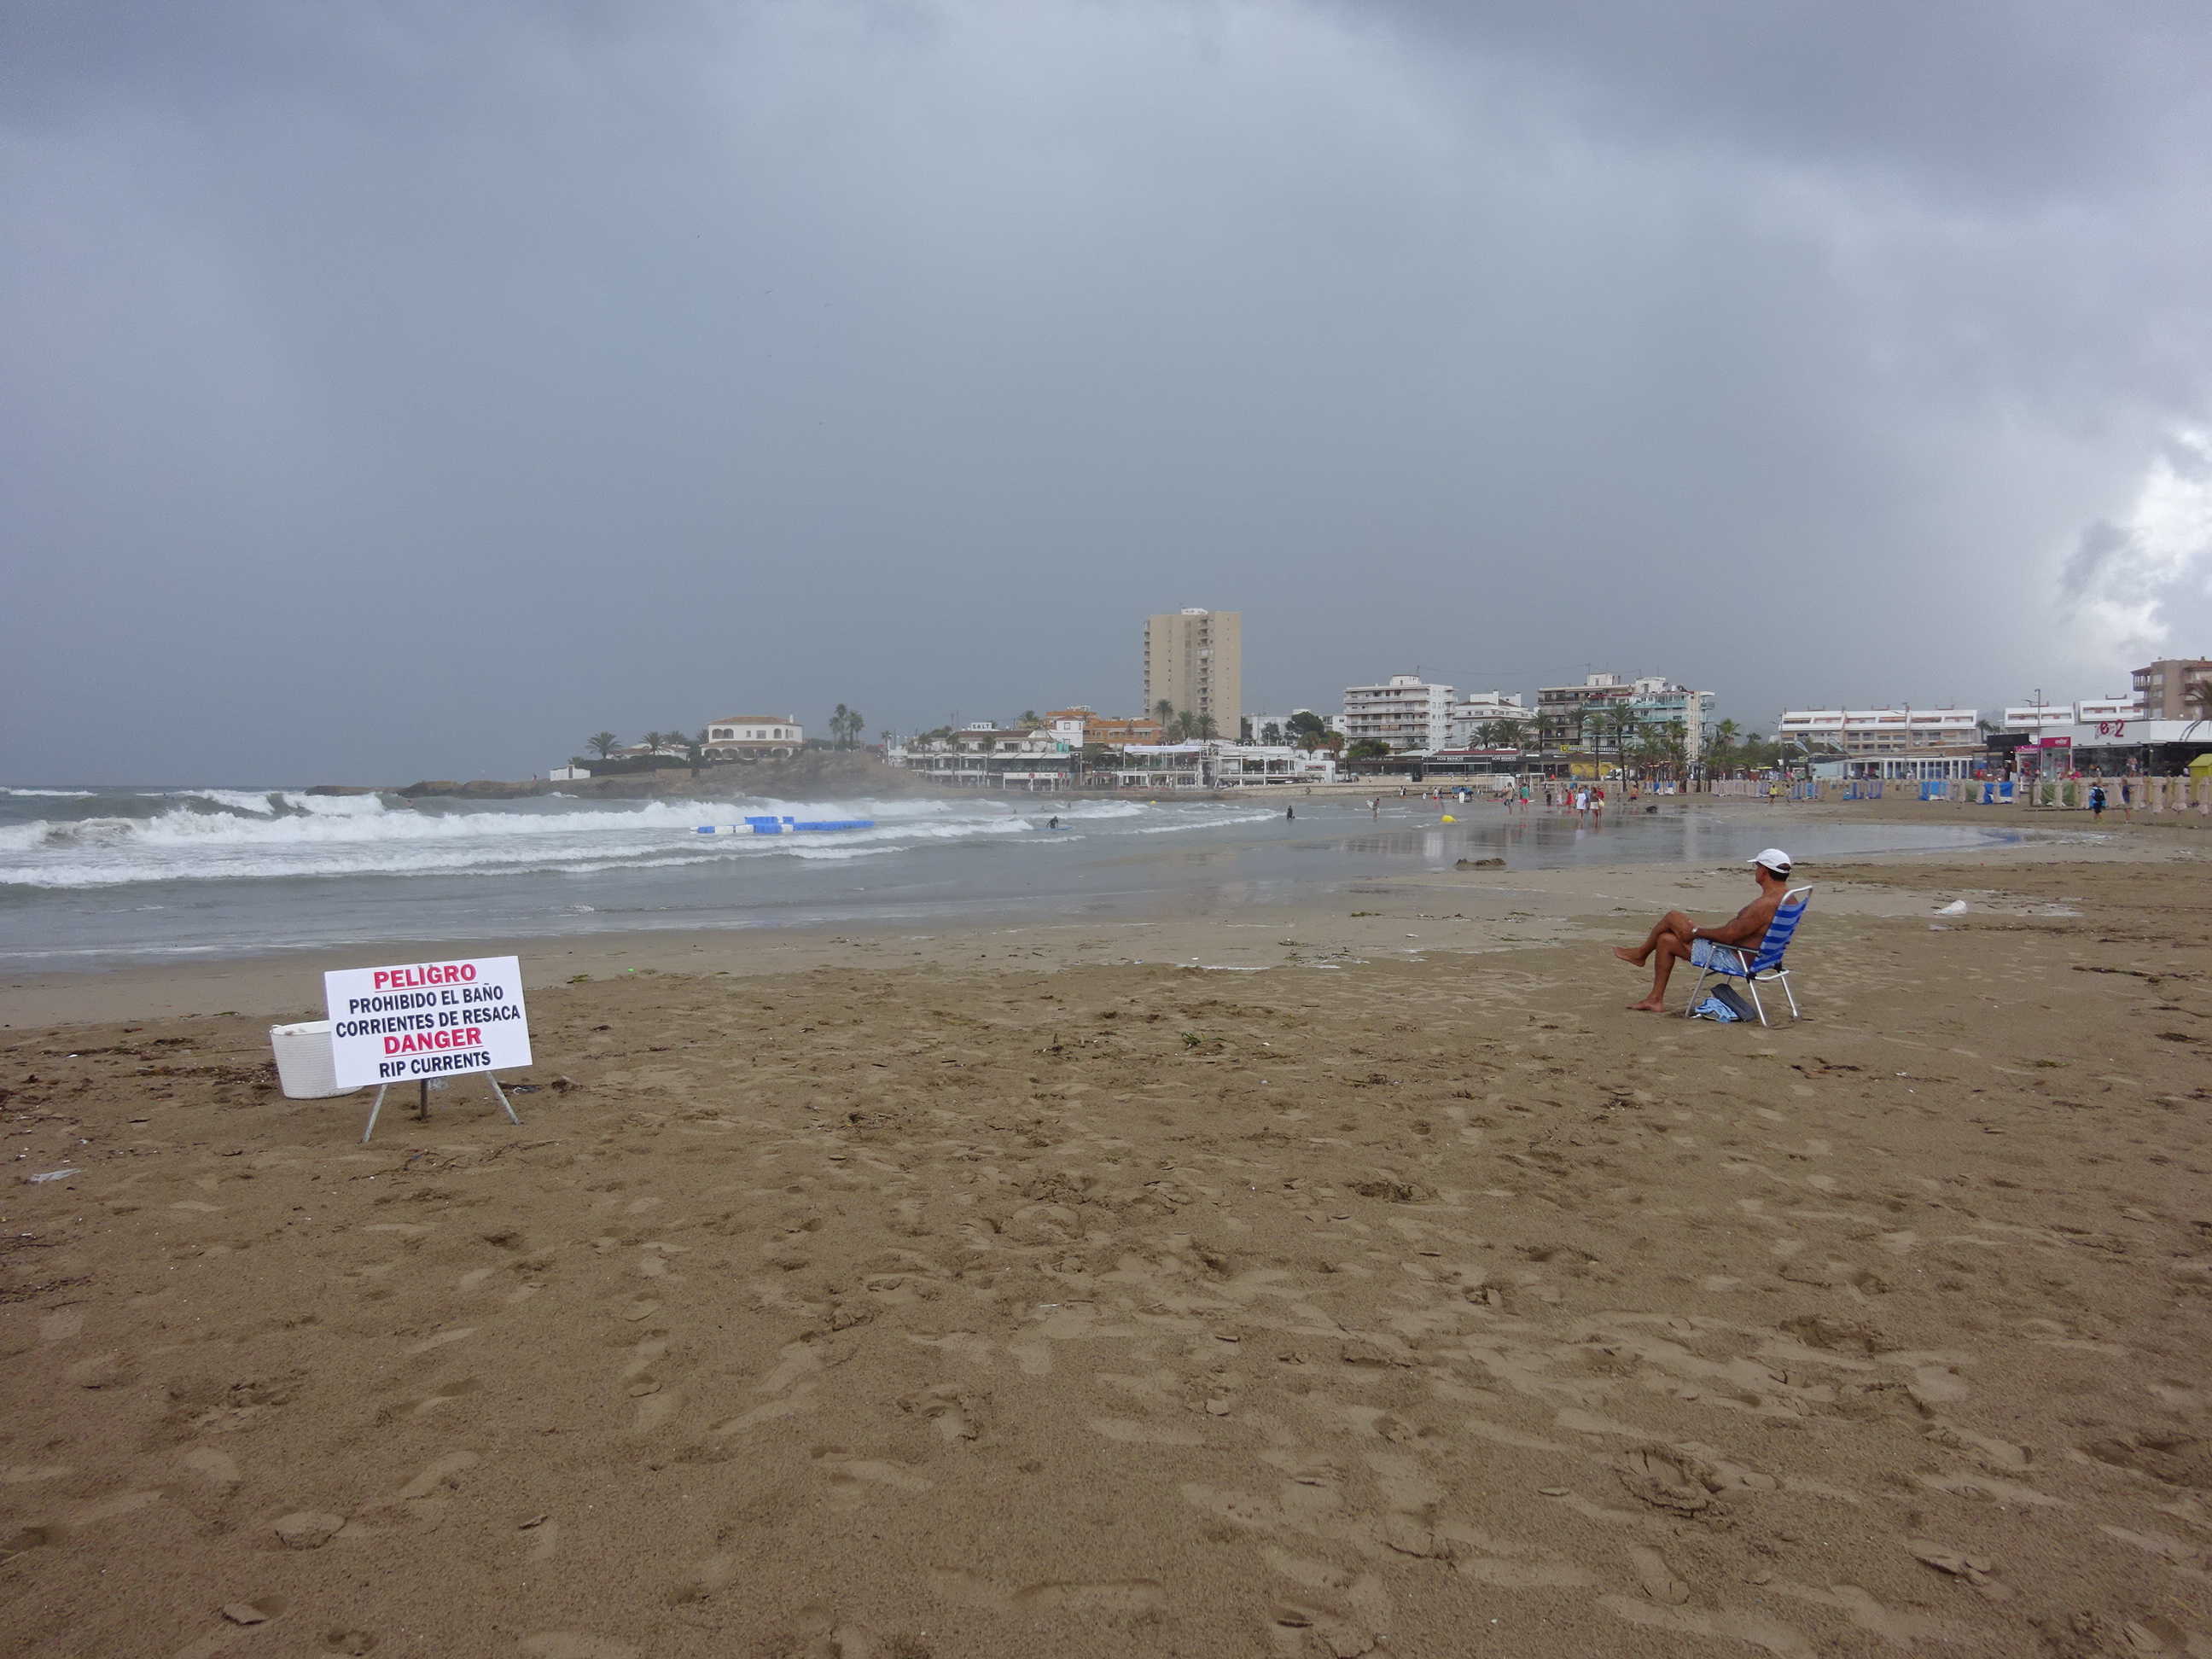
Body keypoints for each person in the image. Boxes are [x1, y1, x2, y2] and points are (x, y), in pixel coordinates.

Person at [1615, 849, 1795, 1013]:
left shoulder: (1764, 905)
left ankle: (1641, 958)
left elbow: (1729, 936)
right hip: (1765, 958)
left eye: (1756, 867)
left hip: (1738, 958)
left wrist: (1696, 932)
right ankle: (1652, 993)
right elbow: (1740, 931)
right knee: (1666, 938)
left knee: (1671, 920)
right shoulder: (1790, 898)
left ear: (1763, 871)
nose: (1755, 870)